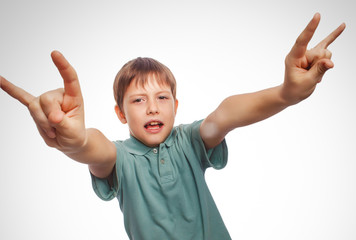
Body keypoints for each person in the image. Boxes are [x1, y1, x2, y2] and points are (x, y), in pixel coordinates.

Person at [0, 13, 345, 240]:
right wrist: (71, 142)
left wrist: (285, 94)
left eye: (162, 98)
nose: (152, 106)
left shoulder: (190, 141)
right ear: (120, 113)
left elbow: (225, 115)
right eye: (137, 100)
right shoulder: (120, 158)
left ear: (176, 107)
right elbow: (95, 148)